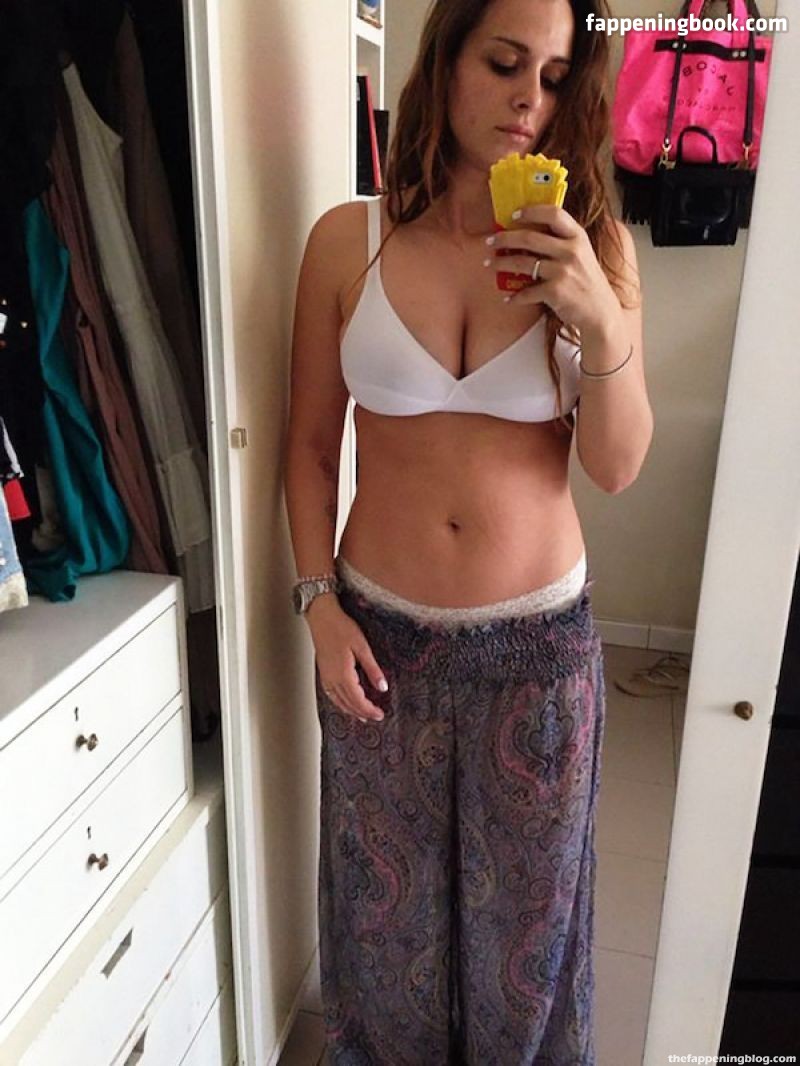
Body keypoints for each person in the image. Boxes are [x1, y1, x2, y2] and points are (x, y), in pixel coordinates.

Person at [284, 0, 653, 1061]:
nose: (527, 100)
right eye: (502, 63)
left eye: (553, 77)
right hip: (377, 645)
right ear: (444, 61)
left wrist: (597, 315)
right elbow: (307, 449)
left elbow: (616, 466)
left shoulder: (594, 249)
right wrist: (317, 609)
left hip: (537, 654)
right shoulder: (345, 241)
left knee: (524, 952)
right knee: (382, 931)